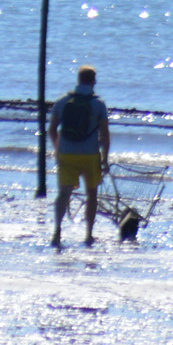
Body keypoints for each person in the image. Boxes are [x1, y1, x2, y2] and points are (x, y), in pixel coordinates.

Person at [49, 64, 110, 247]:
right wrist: (105, 159)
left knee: (63, 194)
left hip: (67, 154)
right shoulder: (98, 103)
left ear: (78, 80)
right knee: (92, 195)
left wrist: (58, 149)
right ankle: (88, 234)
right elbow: (105, 135)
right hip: (90, 155)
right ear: (93, 81)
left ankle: (57, 231)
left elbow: (52, 130)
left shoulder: (62, 101)